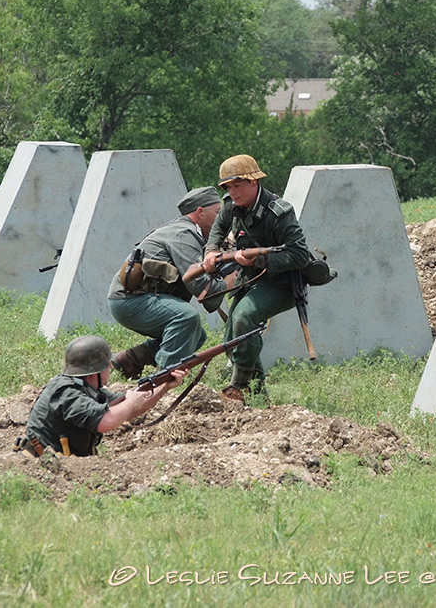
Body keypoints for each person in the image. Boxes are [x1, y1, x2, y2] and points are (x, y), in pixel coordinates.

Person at [201, 154, 312, 401]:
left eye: (237, 185)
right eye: (228, 187)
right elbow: (217, 230)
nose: (232, 192)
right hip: (248, 280)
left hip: (281, 283)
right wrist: (211, 252)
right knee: (233, 338)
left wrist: (259, 260)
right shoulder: (230, 206)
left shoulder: (279, 212)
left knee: (243, 318)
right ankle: (259, 395)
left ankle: (238, 388)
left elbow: (300, 255)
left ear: (254, 182)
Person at [107, 187, 234, 379]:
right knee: (186, 318)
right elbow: (205, 294)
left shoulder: (185, 231)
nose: (221, 220)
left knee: (196, 335)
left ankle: (131, 359)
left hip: (133, 298)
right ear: (200, 212)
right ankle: (163, 381)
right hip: (130, 301)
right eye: (217, 213)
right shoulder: (185, 235)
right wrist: (232, 280)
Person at [23, 335, 187, 457]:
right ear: (95, 371)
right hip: (39, 467)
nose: (110, 367)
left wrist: (165, 386)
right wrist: (130, 403)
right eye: (106, 365)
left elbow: (129, 408)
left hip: (59, 465)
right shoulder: (67, 392)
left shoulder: (89, 389)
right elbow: (106, 422)